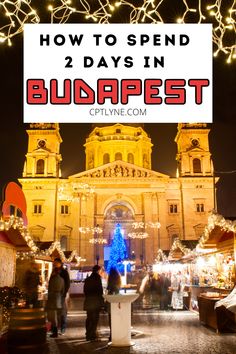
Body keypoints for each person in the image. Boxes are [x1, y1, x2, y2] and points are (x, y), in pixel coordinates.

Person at [83, 265, 104, 341]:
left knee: (89, 318)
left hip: (88, 301)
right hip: (96, 301)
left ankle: (88, 334)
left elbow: (84, 291)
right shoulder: (98, 278)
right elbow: (100, 291)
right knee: (95, 319)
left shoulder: (87, 279)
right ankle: (92, 335)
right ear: (98, 270)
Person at [53, 258, 70, 334]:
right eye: (54, 262)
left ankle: (63, 328)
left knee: (62, 312)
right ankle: (55, 328)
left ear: (59, 263)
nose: (54, 264)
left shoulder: (64, 272)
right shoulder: (53, 271)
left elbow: (67, 283)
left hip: (61, 294)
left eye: (55, 262)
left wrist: (64, 293)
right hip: (54, 295)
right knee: (55, 313)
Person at [46, 267, 65, 338]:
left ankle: (55, 332)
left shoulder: (52, 279)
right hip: (59, 299)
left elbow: (49, 289)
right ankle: (57, 330)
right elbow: (63, 291)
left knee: (52, 317)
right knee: (57, 316)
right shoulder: (62, 280)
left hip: (52, 299)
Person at [106, 267, 122, 341]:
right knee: (116, 320)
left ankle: (112, 335)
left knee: (111, 320)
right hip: (116, 305)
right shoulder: (116, 286)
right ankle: (115, 335)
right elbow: (117, 295)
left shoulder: (110, 285)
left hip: (110, 305)